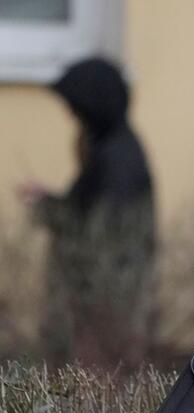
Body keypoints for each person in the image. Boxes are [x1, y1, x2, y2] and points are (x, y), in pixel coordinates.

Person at [17, 57, 156, 371]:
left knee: (95, 385)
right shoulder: (112, 148)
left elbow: (98, 241)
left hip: (102, 312)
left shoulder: (117, 159)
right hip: (102, 308)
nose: (72, 115)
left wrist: (45, 207)